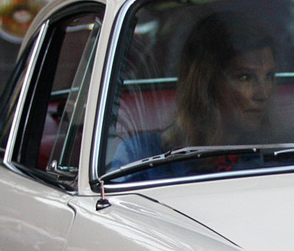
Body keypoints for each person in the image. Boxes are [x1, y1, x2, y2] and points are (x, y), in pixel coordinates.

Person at [109, 12, 279, 177]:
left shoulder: (283, 157)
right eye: (245, 77)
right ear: (206, 83)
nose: (263, 94)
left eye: (269, 76)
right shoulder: (141, 158)